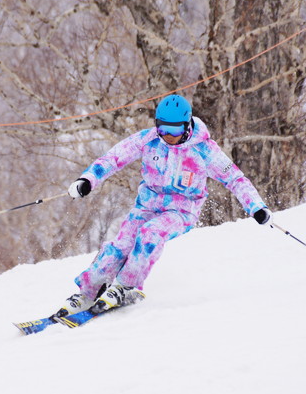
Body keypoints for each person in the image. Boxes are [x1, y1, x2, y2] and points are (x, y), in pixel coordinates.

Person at [59, 94, 272, 317]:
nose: (169, 136)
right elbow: (113, 158)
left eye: (175, 130)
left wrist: (256, 207)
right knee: (120, 246)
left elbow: (235, 179)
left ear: (187, 125)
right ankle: (87, 292)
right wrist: (88, 180)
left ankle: (127, 286)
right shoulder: (149, 139)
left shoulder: (205, 150)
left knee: (150, 234)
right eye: (163, 129)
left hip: (182, 211)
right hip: (147, 205)